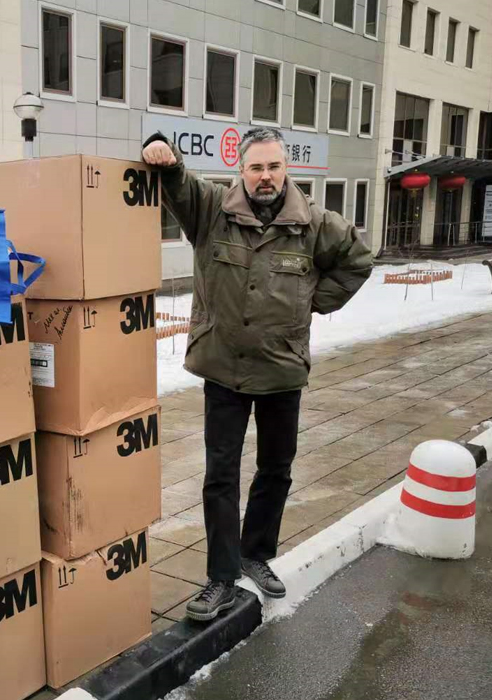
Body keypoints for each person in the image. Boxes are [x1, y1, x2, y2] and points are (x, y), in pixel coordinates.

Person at [142, 127, 373, 621]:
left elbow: (358, 261)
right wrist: (162, 151)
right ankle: (222, 577)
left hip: (280, 367)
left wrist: (312, 302)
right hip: (223, 367)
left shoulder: (314, 223)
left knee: (275, 469)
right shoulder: (212, 210)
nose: (265, 176)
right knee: (220, 475)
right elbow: (178, 183)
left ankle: (256, 554)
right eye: (256, 167)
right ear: (241, 171)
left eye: (273, 166)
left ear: (285, 169)